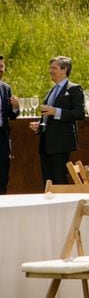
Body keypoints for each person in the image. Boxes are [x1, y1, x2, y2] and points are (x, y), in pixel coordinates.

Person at [29, 56, 85, 185]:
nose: (50, 71)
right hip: (46, 144)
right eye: (50, 68)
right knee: (48, 182)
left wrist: (57, 112)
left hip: (61, 144)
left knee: (60, 180)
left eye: (54, 68)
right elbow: (48, 114)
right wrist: (40, 126)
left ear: (64, 70)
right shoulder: (51, 90)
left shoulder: (74, 89)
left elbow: (80, 113)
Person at [0, 53, 20, 194]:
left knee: (3, 173)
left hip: (2, 137)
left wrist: (15, 107)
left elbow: (12, 116)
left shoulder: (5, 88)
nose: (0, 69)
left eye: (1, 66)